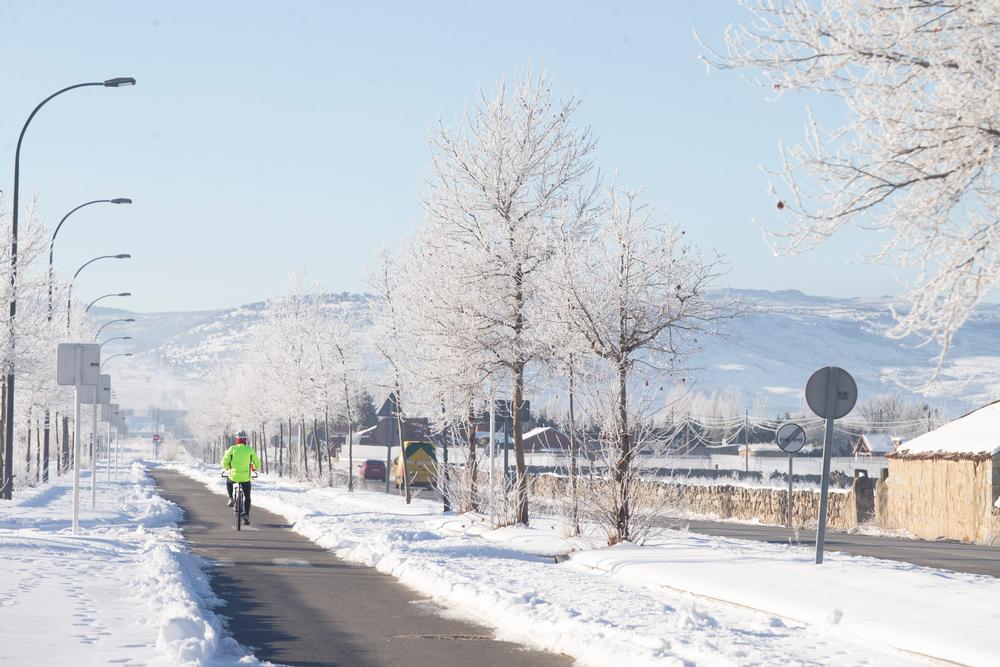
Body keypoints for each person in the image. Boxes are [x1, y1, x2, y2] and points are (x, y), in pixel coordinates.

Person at [222, 430, 261, 524]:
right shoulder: (250, 450)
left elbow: (225, 461)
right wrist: (254, 468)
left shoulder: (232, 449)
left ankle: (231, 498)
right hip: (245, 478)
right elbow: (257, 463)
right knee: (247, 497)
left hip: (234, 475)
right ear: (245, 440)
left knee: (229, 481)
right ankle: (246, 514)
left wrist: (227, 467)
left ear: (237, 440)